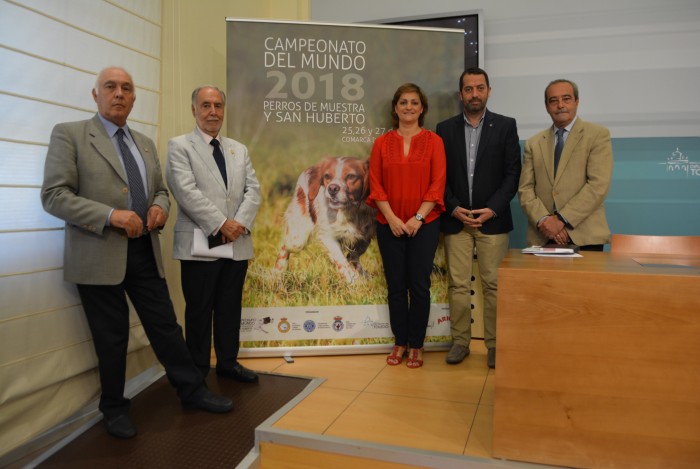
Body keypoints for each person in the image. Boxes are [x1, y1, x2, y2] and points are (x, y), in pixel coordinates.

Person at [41, 67, 233, 440]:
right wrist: (110, 216)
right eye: (110, 87)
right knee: (111, 339)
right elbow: (54, 195)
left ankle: (192, 391)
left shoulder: (143, 142)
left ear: (133, 98)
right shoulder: (71, 134)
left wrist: (161, 208)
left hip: (144, 249)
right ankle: (113, 409)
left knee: (165, 328)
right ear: (95, 95)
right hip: (98, 253)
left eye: (126, 88)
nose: (119, 94)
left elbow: (161, 190)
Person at [165, 86, 261, 383]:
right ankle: (197, 371)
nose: (213, 112)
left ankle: (228, 363)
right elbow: (185, 192)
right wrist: (222, 223)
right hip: (200, 242)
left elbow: (253, 191)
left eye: (218, 105)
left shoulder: (238, 149)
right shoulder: (180, 146)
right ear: (194, 110)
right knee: (200, 310)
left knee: (230, 307)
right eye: (205, 105)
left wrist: (239, 223)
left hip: (236, 242)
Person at [436, 68, 521, 369]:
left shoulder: (506, 126)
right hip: (456, 220)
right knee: (458, 285)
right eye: (468, 89)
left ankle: (496, 345)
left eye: (479, 88)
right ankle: (460, 342)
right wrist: (453, 206)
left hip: (492, 221)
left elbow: (513, 174)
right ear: (461, 94)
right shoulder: (443, 129)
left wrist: (493, 208)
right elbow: (439, 175)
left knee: (494, 285)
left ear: (488, 90)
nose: (474, 94)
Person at [367, 83, 446, 369]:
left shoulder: (434, 142)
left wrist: (418, 218)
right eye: (403, 102)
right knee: (396, 286)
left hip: (424, 225)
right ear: (395, 108)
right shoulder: (381, 144)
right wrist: (392, 219)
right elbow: (376, 186)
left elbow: (437, 185)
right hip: (390, 224)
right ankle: (399, 341)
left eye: (414, 102)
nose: (409, 107)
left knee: (419, 286)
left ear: (422, 108)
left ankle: (417, 345)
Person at [519, 79, 613, 251]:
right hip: (543, 237)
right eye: (553, 101)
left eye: (566, 99)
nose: (560, 105)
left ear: (577, 102)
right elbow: (525, 190)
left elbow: (598, 186)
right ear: (547, 106)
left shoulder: (597, 135)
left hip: (585, 237)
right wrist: (545, 221)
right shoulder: (533, 143)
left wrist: (561, 220)